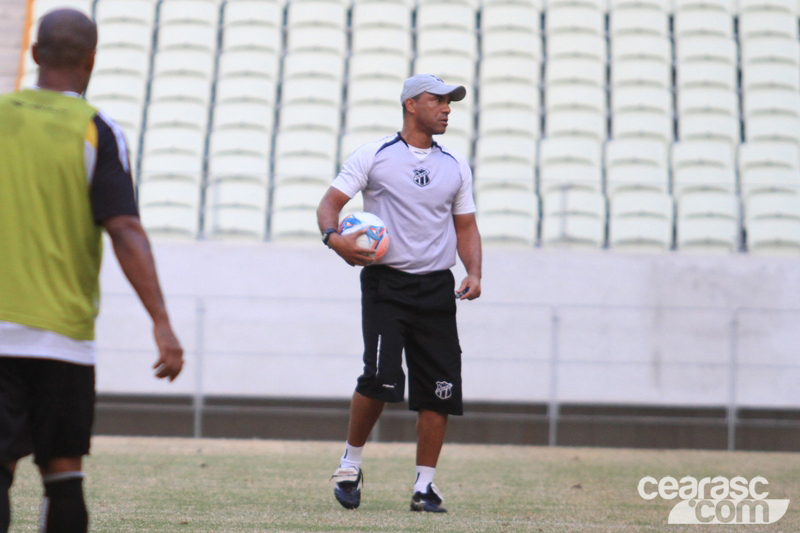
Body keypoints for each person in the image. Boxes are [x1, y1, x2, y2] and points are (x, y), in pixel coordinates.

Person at [0, 9, 184, 532]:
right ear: (92, 60)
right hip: (62, 339)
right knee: (62, 475)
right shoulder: (96, 131)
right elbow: (125, 228)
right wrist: (162, 323)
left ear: (34, 55)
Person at [317, 74, 482, 513]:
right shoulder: (375, 156)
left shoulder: (455, 165)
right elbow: (329, 205)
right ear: (411, 104)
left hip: (435, 289)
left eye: (450, 102)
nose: (446, 108)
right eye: (438, 100)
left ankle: (424, 487)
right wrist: (336, 240)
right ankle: (350, 464)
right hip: (386, 285)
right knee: (381, 380)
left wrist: (475, 273)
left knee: (440, 389)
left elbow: (466, 226)